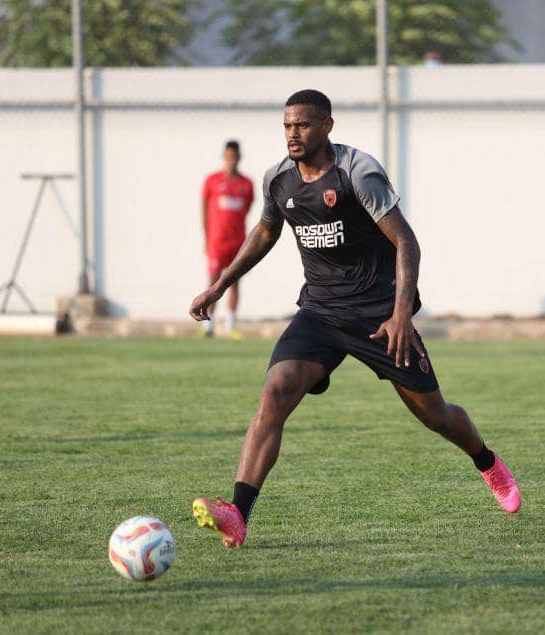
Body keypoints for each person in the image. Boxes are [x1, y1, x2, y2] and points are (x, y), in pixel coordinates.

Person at [188, 89, 521, 547]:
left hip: (378, 317)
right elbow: (265, 230)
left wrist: (401, 315)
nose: (293, 134)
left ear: (327, 125)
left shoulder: (357, 172)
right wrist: (220, 284)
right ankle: (238, 513)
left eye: (302, 125)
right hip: (319, 313)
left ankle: (487, 462)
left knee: (437, 416)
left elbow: (406, 242)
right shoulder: (278, 179)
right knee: (274, 394)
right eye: (287, 126)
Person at [201, 140, 255, 339]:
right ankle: (208, 325)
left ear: (239, 158)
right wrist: (207, 236)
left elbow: (247, 208)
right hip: (217, 241)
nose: (231, 161)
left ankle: (231, 324)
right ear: (224, 157)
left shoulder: (246, 184)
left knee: (234, 281)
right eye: (228, 157)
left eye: (234, 157)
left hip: (238, 241)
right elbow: (204, 209)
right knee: (214, 282)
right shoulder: (212, 181)